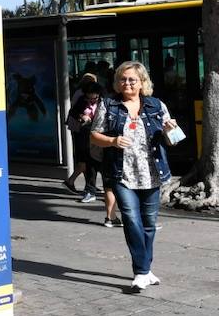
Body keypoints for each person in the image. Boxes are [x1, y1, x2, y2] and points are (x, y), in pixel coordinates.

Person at [88, 61, 178, 291]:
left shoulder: (156, 105)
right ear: (117, 82)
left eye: (132, 80)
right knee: (131, 219)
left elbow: (174, 139)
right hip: (122, 173)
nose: (127, 83)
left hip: (152, 173)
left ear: (142, 83)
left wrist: (171, 130)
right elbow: (94, 135)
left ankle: (145, 269)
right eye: (122, 79)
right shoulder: (109, 105)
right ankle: (141, 271)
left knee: (149, 223)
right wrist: (113, 141)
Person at [62, 78, 103, 203]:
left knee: (92, 163)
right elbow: (73, 112)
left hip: (100, 135)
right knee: (87, 161)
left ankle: (86, 186)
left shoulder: (104, 102)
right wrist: (82, 116)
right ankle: (89, 189)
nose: (91, 101)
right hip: (85, 134)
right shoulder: (81, 100)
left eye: (94, 98)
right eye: (89, 98)